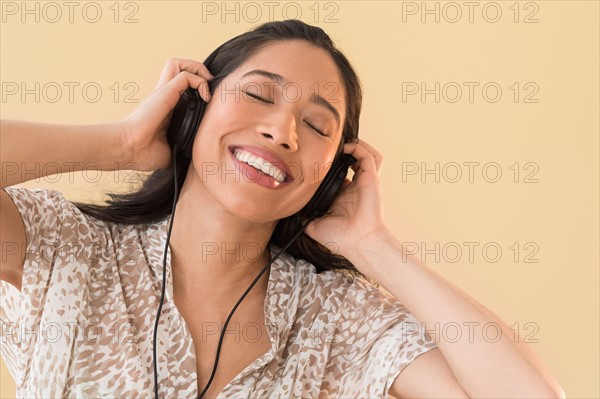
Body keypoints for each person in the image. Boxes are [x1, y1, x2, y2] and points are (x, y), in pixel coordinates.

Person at [0, 20, 565, 399]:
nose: (282, 130)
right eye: (258, 94)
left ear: (331, 174)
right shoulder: (65, 247)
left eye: (318, 125)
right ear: (193, 111)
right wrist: (120, 143)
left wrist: (376, 247)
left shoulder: (339, 319)